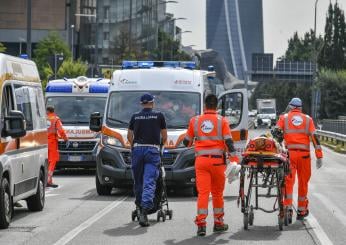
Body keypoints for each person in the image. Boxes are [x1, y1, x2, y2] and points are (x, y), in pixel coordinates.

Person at [183, 94, 239, 236]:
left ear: (205, 105)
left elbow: (186, 142)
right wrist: (235, 159)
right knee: (217, 194)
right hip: (217, 163)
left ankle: (201, 225)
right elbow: (229, 142)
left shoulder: (195, 121)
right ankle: (219, 223)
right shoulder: (222, 121)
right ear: (216, 106)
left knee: (203, 193)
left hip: (201, 162)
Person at [275, 98, 323, 220]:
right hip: (304, 156)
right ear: (300, 108)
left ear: (290, 107)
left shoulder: (284, 118)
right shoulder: (308, 119)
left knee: (288, 182)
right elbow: (315, 138)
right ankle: (301, 211)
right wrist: (319, 155)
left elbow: (276, 134)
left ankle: (288, 209)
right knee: (303, 183)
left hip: (289, 155)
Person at [127, 93, 168, 227]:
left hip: (138, 150)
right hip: (152, 150)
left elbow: (129, 135)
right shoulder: (159, 116)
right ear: (152, 103)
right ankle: (145, 211)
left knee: (138, 181)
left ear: (141, 104)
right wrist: (160, 146)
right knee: (149, 180)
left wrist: (134, 147)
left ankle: (139, 206)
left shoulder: (135, 116)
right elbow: (164, 135)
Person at [46, 105, 69, 188]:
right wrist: (66, 139)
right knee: (52, 160)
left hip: (44, 142)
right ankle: (49, 180)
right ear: (53, 111)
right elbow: (61, 131)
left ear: (47, 111)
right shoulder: (56, 119)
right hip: (52, 142)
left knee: (46, 160)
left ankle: (46, 180)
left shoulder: (42, 119)